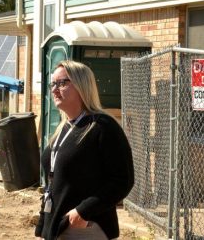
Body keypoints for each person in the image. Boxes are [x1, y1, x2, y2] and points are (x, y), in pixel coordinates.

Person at [35, 60, 134, 240]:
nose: (55, 89)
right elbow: (53, 185)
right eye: (53, 84)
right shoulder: (63, 129)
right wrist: (42, 228)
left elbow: (123, 180)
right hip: (57, 227)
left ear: (82, 85)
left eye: (62, 83)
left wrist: (83, 212)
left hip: (84, 228)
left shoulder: (103, 126)